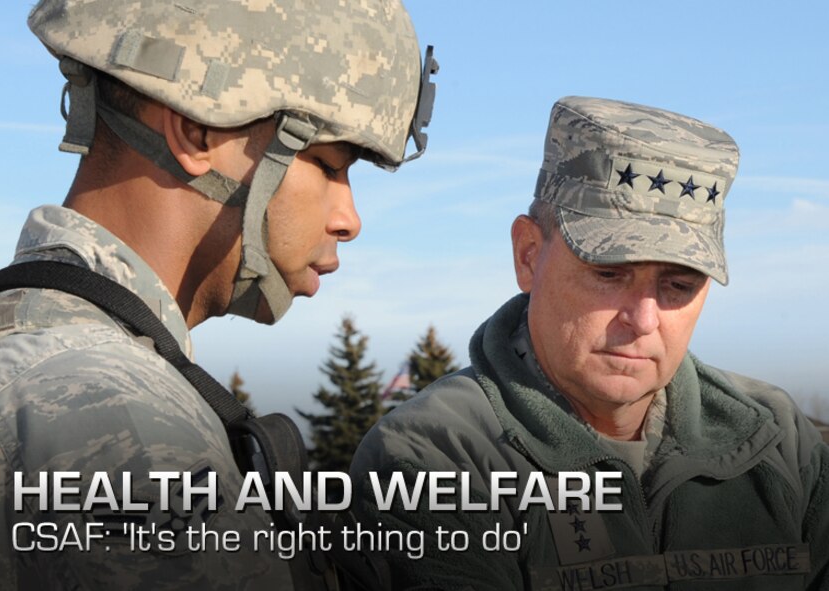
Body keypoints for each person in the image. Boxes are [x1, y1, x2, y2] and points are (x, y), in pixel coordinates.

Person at [0, 0, 436, 589]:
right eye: (327, 164)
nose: (348, 219)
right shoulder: (111, 422)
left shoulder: (9, 337)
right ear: (198, 132)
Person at [351, 96, 829, 590]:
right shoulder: (437, 458)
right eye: (608, 273)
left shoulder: (777, 443)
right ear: (528, 254)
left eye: (678, 286)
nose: (643, 319)